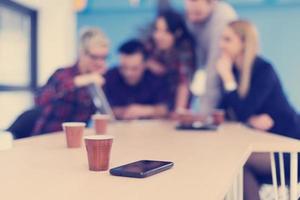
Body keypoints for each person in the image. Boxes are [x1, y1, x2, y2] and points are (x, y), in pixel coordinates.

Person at [216, 20, 300, 200]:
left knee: (237, 160)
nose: (220, 45)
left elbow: (241, 112)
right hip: (267, 146)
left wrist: (228, 80)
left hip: (291, 147)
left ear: (244, 43)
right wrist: (248, 119)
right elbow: (225, 111)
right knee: (237, 164)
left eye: (227, 39)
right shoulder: (235, 71)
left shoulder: (263, 70)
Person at [32, 27, 109, 135]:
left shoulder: (98, 79)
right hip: (48, 137)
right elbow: (39, 100)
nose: (100, 63)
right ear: (81, 53)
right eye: (94, 57)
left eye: (104, 58)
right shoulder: (63, 74)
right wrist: (81, 80)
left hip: (76, 140)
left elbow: (106, 113)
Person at [142, 10, 196, 114]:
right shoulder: (152, 43)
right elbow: (138, 57)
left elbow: (183, 83)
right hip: (154, 104)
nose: (158, 36)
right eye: (157, 30)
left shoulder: (184, 50)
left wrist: (178, 111)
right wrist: (148, 63)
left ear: (177, 33)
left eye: (166, 31)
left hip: (174, 103)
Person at [103, 39, 169, 120]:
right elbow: (102, 109)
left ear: (145, 65)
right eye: (124, 67)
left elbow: (165, 109)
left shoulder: (155, 78)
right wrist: (123, 112)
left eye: (134, 68)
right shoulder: (109, 76)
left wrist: (145, 111)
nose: (128, 73)